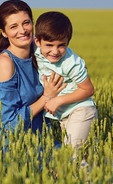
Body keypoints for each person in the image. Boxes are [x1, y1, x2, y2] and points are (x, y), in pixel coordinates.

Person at [0, 0, 66, 149]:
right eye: (13, 26)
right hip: (16, 147)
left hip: (43, 141)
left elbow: (68, 65)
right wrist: (46, 98)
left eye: (26, 23)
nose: (22, 30)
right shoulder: (5, 63)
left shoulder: (42, 52)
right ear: (4, 32)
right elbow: (9, 123)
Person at [34, 11, 98, 154]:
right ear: (37, 42)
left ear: (68, 42)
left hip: (80, 110)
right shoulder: (35, 49)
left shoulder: (71, 63)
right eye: (49, 45)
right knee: (86, 152)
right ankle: (110, 170)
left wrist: (58, 101)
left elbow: (88, 90)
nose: (55, 51)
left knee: (73, 154)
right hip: (64, 114)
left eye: (61, 45)